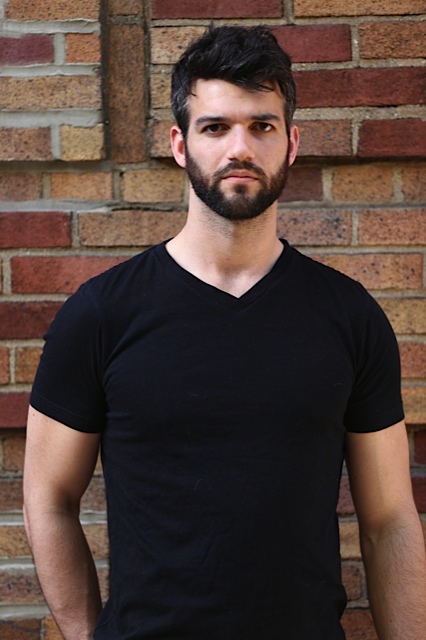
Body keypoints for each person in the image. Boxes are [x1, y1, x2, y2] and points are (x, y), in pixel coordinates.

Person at [23, 24, 425, 640]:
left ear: (291, 143)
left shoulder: (349, 316)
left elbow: (390, 519)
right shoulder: (101, 314)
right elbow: (49, 500)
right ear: (181, 145)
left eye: (262, 126)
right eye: (216, 127)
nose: (241, 147)